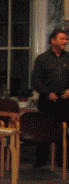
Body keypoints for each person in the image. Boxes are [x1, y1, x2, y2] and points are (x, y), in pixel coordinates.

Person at [31, 28, 69, 167]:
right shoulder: (42, 59)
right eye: (62, 39)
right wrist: (47, 92)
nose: (65, 41)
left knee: (63, 132)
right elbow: (35, 81)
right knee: (44, 130)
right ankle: (41, 160)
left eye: (66, 39)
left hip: (65, 100)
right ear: (52, 40)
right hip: (47, 100)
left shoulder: (68, 57)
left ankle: (62, 161)